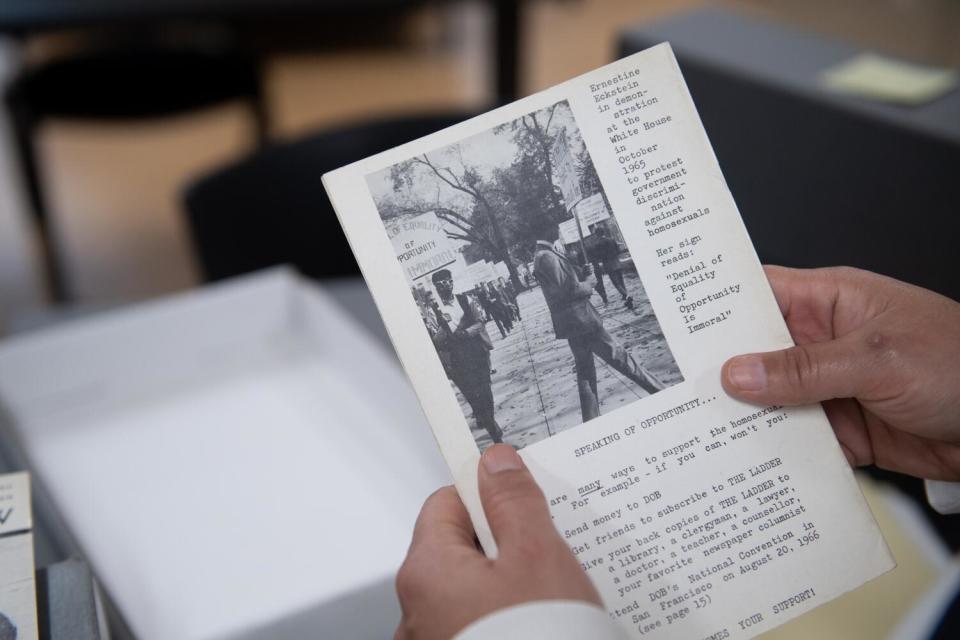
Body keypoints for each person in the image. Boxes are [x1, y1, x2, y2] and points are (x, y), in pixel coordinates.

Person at [394, 266, 960, 639]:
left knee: (600, 368)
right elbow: (567, 289)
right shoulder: (548, 260)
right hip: (584, 320)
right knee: (613, 363)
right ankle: (640, 405)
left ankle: (621, 413)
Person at [533, 224, 663, 421]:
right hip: (581, 320)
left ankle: (591, 419)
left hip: (573, 323)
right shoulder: (546, 256)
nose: (558, 230)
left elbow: (565, 285)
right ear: (545, 229)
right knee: (620, 356)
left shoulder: (544, 254)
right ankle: (658, 389)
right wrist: (589, 284)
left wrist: (581, 273)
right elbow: (567, 292)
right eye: (555, 227)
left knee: (585, 372)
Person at [430, 269, 504, 445]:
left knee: (486, 392)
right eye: (441, 284)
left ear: (452, 282)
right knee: (473, 397)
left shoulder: (465, 300)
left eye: (448, 281)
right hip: (455, 360)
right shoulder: (433, 311)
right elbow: (434, 340)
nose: (445, 286)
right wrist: (443, 329)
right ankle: (493, 431)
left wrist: (466, 333)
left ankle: (489, 420)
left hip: (476, 351)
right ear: (436, 288)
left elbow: (480, 322)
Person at [592, 226, 633, 310]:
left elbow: (598, 256)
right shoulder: (611, 239)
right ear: (603, 232)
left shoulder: (597, 244)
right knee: (621, 281)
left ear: (597, 234)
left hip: (608, 265)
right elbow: (618, 251)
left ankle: (626, 296)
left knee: (616, 283)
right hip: (617, 262)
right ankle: (625, 295)